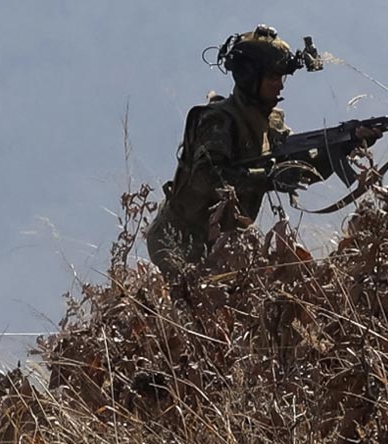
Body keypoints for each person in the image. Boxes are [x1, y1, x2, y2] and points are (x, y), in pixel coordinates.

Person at [145, 25, 348, 276]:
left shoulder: (270, 123)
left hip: (223, 247)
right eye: (273, 78)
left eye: (282, 78)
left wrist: (344, 148)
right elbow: (206, 179)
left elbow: (298, 169)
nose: (280, 87)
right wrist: (268, 178)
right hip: (180, 242)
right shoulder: (220, 121)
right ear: (250, 77)